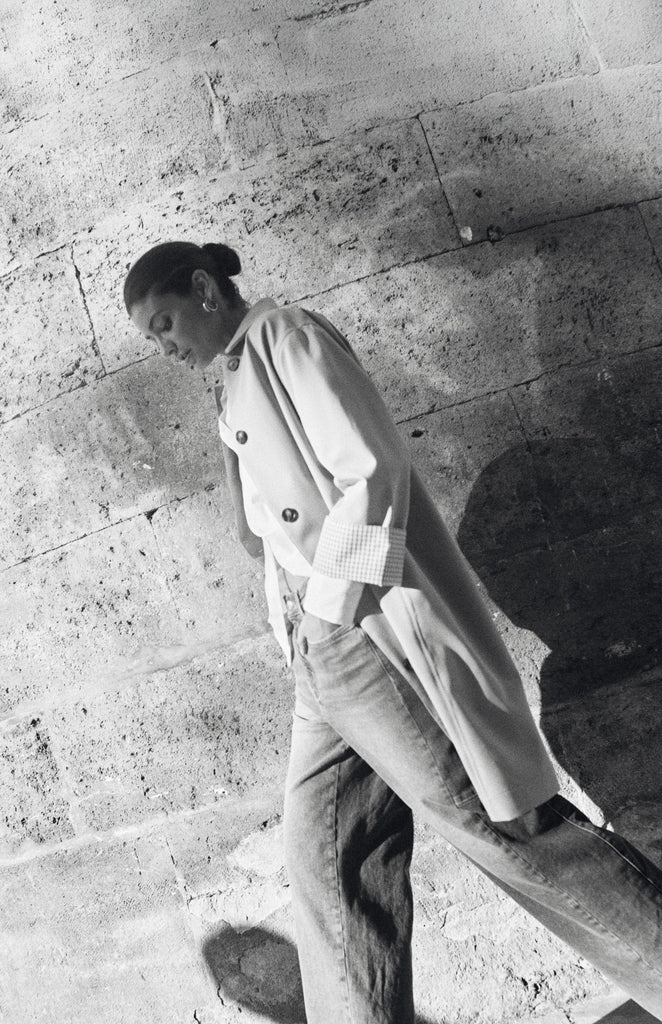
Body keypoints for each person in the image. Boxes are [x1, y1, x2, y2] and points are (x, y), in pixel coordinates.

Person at [124, 240, 662, 1022]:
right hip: (316, 655)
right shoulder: (233, 385)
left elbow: (372, 470)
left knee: (497, 828)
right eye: (152, 338)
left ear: (204, 290)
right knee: (328, 861)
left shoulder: (285, 338)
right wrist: (299, 622)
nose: (164, 347)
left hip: (358, 634)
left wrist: (330, 611)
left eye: (164, 324)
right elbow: (264, 534)